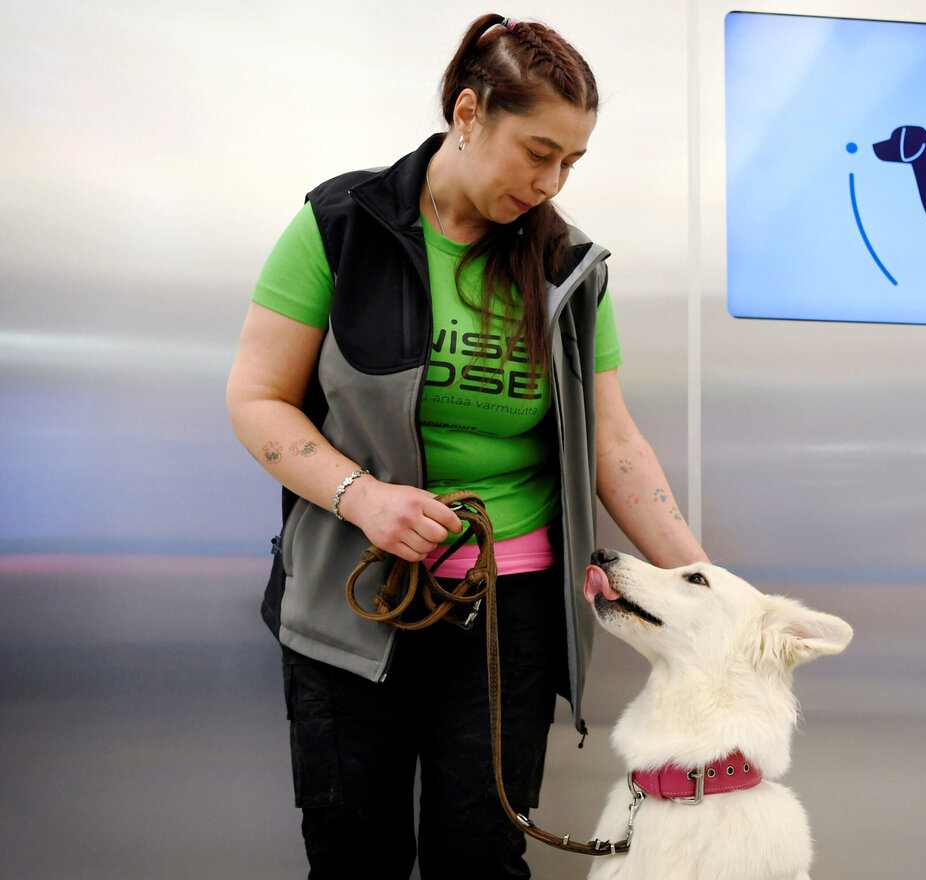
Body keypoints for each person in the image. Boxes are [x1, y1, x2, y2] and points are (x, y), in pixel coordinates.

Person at [225, 13, 706, 880]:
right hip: (352, 598)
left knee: (481, 858)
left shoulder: (568, 266)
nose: (552, 180)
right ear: (469, 114)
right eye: (538, 151)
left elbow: (616, 446)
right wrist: (361, 497)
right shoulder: (344, 223)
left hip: (506, 618)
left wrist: (709, 592)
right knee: (352, 856)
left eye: (572, 161)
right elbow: (257, 401)